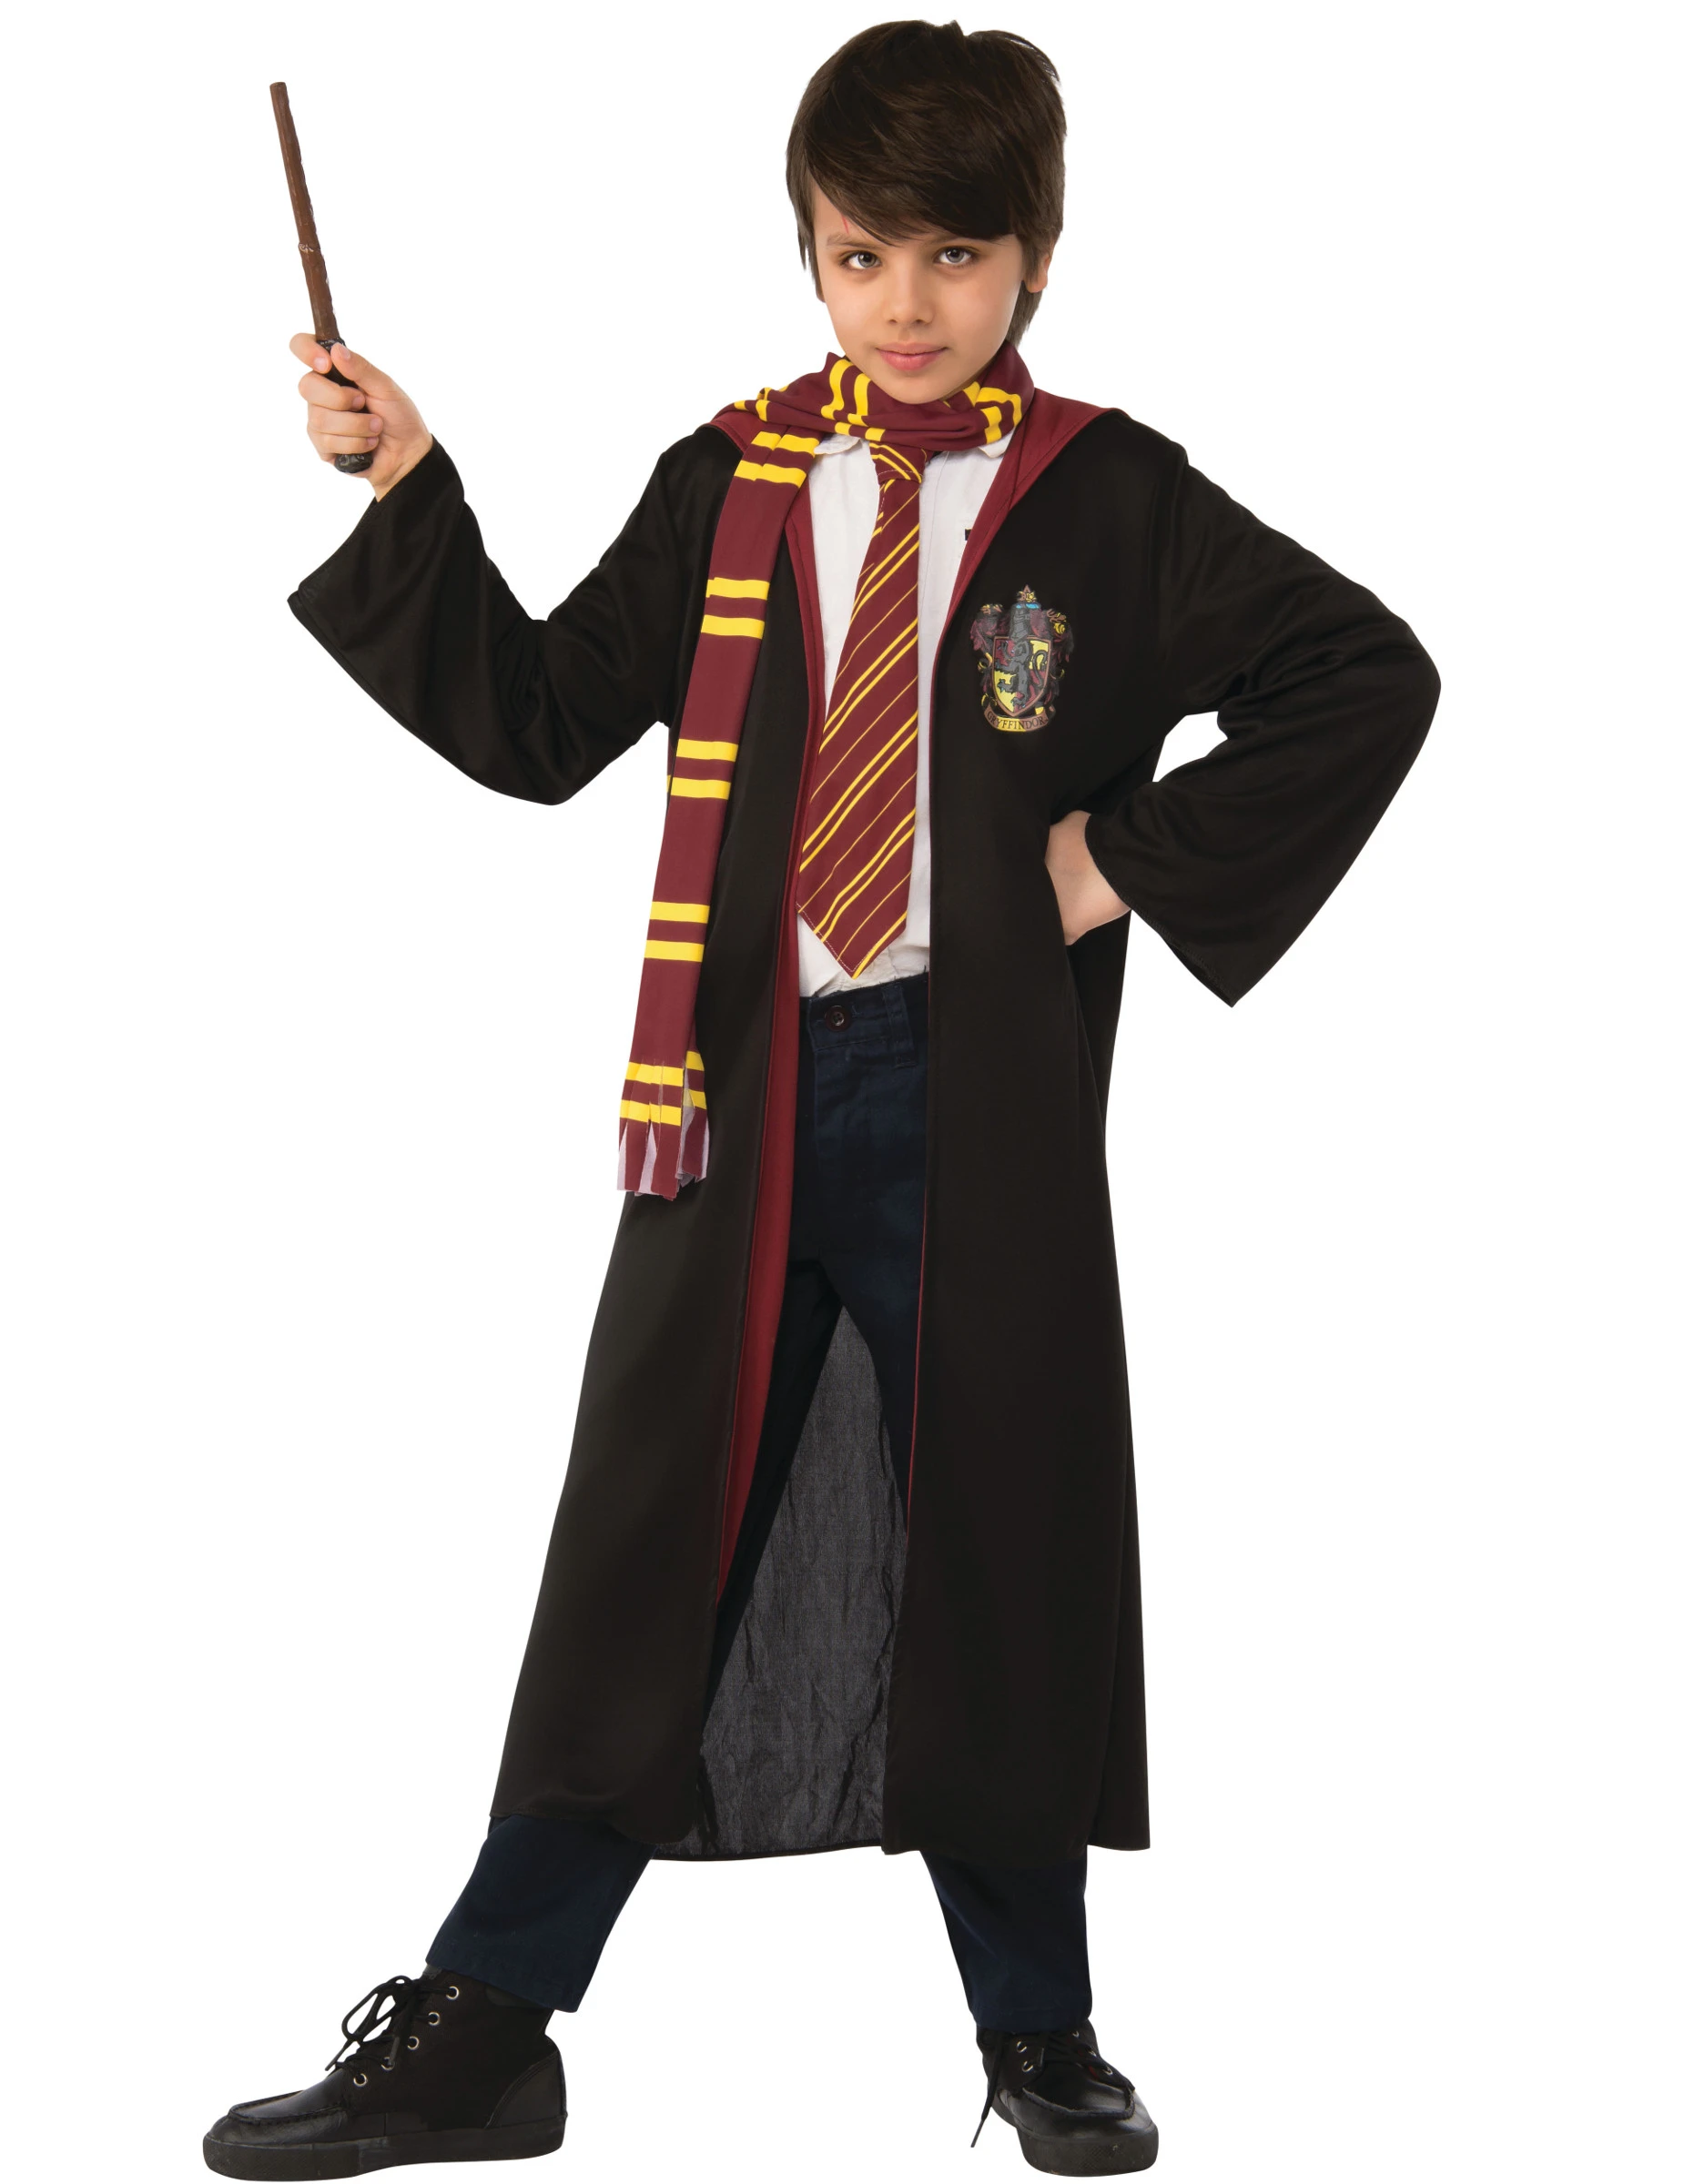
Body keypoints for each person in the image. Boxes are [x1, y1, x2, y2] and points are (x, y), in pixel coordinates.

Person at [203, 19, 1439, 2179]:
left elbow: (1364, 672)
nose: (907, 300)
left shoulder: (1110, 499)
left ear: (1034, 256)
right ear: (806, 251)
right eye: (861, 253)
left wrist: (1110, 862)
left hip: (980, 1105)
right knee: (636, 1552)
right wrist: (408, 485)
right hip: (740, 1096)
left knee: (998, 1544)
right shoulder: (736, 476)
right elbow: (539, 718)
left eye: (955, 253)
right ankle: (487, 2029)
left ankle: (1040, 2034)